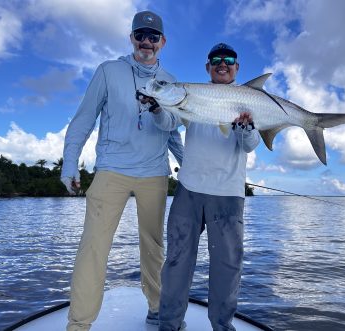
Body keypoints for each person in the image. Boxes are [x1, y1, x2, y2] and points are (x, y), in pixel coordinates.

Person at [60, 11, 183, 331]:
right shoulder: (108, 71)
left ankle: (157, 309)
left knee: (154, 249)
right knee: (92, 248)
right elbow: (83, 120)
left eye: (153, 37)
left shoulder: (170, 81)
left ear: (162, 42)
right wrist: (70, 164)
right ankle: (79, 324)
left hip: (155, 174)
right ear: (131, 38)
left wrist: (189, 167)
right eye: (140, 35)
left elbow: (172, 134)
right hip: (111, 171)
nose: (146, 42)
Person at [151, 43, 261, 331]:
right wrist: (155, 106)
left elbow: (249, 145)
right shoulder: (190, 95)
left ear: (237, 68)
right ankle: (169, 324)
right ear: (207, 67)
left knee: (227, 267)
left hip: (228, 195)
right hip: (189, 190)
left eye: (228, 60)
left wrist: (246, 128)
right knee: (176, 262)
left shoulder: (247, 100)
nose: (221, 64)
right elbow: (167, 122)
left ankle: (222, 326)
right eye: (215, 60)